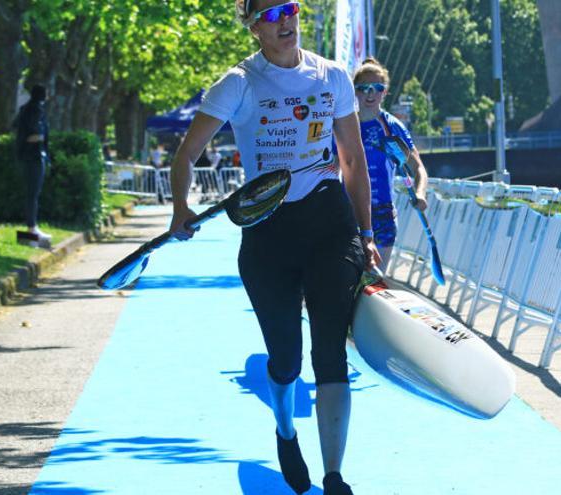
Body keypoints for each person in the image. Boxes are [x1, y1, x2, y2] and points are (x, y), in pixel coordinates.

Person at [167, 2, 379, 493]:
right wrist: (180, 206)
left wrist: (366, 235)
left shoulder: (332, 76)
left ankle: (334, 476)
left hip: (330, 224)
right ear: (251, 26)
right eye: (270, 13)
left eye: (291, 7)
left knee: (330, 355)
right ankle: (285, 430)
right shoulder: (238, 83)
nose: (285, 20)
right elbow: (187, 154)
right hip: (268, 233)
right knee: (286, 359)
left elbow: (353, 160)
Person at [340, 57, 429, 270]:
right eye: (364, 88)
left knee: (375, 277)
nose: (370, 94)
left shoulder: (391, 127)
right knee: (348, 277)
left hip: (382, 214)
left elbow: (418, 168)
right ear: (355, 91)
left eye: (377, 88)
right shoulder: (344, 125)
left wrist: (420, 193)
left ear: (384, 92)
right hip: (348, 213)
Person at [14, 84, 51, 243]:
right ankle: (32, 226)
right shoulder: (35, 110)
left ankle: (32, 225)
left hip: (29, 156)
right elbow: (37, 133)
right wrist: (39, 136)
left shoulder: (25, 109)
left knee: (32, 193)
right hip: (34, 156)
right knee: (33, 193)